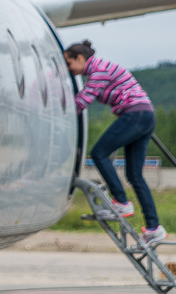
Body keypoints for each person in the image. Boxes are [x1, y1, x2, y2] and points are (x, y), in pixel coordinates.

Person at [64, 40, 165, 246]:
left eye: (68, 64)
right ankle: (154, 229)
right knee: (134, 175)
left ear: (80, 59)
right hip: (145, 115)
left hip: (134, 114)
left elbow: (81, 102)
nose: (68, 69)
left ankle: (121, 202)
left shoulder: (99, 71)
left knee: (99, 153)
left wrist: (58, 110)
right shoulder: (101, 69)